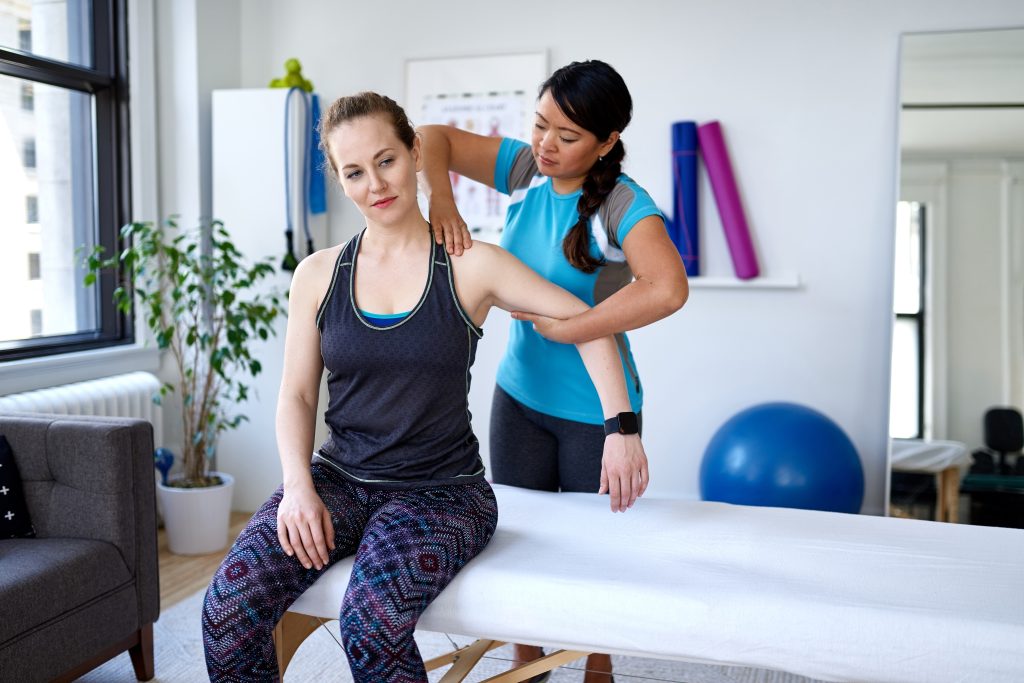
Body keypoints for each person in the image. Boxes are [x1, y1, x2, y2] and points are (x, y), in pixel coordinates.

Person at [201, 91, 649, 683]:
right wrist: (296, 487)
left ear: (415, 153)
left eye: (386, 160)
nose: (375, 184)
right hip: (340, 479)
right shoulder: (316, 274)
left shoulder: (471, 265)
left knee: (372, 622)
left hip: (441, 493)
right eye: (354, 172)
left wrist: (621, 427)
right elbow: (298, 396)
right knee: (225, 611)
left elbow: (588, 328)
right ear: (339, 181)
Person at [417, 59, 689, 683]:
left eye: (567, 137)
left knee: (591, 555)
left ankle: (599, 665)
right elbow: (431, 137)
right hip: (519, 394)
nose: (545, 145)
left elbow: (668, 288)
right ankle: (526, 664)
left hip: (593, 407)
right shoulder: (523, 169)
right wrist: (442, 197)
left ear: (607, 142)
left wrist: (574, 327)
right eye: (539, 125)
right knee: (518, 542)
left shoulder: (623, 204)